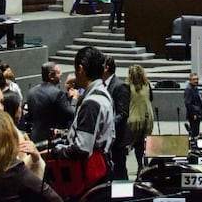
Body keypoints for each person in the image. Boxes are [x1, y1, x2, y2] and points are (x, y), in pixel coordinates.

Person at [48, 46, 114, 187]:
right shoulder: (104, 93)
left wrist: (57, 151)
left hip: (87, 175)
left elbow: (82, 149)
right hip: (102, 164)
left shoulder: (91, 103)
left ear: (80, 68)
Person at [24, 62, 75, 144]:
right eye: (58, 72)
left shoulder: (31, 92)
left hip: (35, 137)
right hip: (52, 139)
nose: (61, 74)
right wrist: (74, 99)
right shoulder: (58, 94)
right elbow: (71, 114)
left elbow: (29, 117)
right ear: (51, 76)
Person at [103, 56, 131, 179]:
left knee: (120, 170)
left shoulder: (120, 86)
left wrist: (106, 124)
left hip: (118, 139)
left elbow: (123, 113)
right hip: (106, 140)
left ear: (106, 68)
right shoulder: (101, 85)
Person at [127, 64, 154, 171]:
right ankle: (146, 161)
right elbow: (151, 98)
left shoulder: (128, 87)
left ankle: (140, 165)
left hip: (134, 118)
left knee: (137, 144)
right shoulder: (147, 85)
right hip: (148, 117)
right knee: (146, 141)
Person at [184, 72, 202, 137]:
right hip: (194, 115)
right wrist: (194, 114)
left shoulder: (195, 88)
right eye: (194, 79)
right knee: (194, 132)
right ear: (190, 80)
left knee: (196, 131)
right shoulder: (189, 89)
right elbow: (188, 104)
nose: (196, 81)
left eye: (197, 79)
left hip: (198, 113)